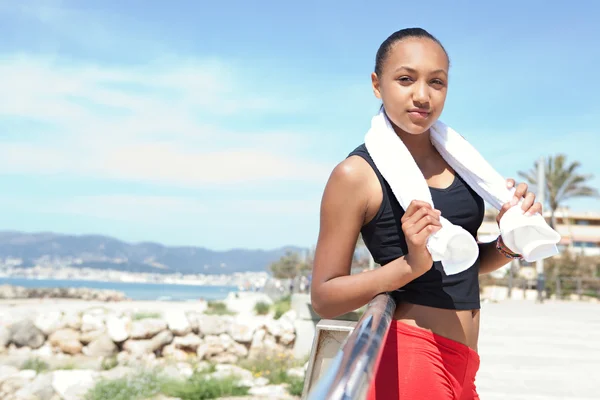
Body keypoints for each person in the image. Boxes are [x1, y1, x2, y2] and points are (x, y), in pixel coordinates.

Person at [310, 27, 542, 400]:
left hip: (464, 363)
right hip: (412, 358)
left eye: (437, 82)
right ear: (376, 84)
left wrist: (511, 241)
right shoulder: (356, 174)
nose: (422, 95)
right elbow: (324, 297)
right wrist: (408, 266)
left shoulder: (460, 160)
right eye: (405, 79)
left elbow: (461, 262)